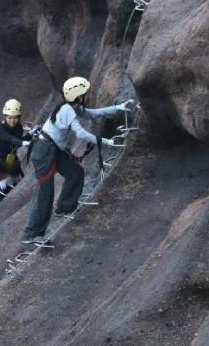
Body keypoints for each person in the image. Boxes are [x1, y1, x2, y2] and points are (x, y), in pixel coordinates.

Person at [21, 77, 133, 244]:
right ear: (78, 95)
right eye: (86, 93)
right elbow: (80, 133)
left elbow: (94, 114)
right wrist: (106, 141)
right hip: (45, 151)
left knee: (75, 172)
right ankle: (31, 234)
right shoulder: (67, 110)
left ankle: (65, 208)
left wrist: (119, 108)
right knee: (45, 192)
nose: (89, 95)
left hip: (53, 149)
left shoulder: (72, 107)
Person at [0, 98, 32, 220]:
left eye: (15, 117)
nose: (12, 120)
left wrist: (31, 135)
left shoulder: (18, 128)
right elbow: (9, 139)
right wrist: (23, 142)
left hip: (10, 163)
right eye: (9, 117)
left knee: (11, 189)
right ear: (5, 117)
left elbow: (17, 143)